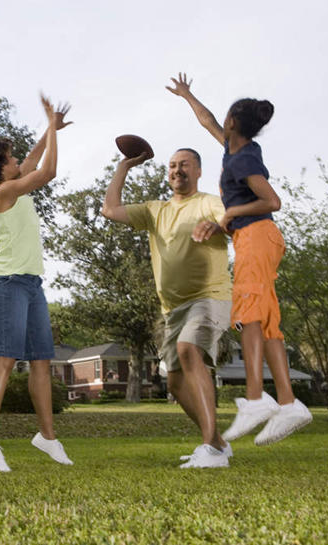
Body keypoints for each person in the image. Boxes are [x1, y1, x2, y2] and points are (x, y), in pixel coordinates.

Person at [167, 72, 312, 445]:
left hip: (257, 237)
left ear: (234, 121)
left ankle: (254, 399)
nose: (220, 122)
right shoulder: (234, 149)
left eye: (225, 118)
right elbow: (208, 121)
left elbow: (271, 201)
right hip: (255, 239)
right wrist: (187, 95)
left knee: (246, 313)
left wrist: (227, 217)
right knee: (267, 324)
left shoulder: (242, 160)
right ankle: (288, 402)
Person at [102, 147, 233, 468]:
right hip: (172, 309)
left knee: (189, 351)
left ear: (198, 170)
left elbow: (230, 219)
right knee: (174, 382)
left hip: (211, 296)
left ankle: (211, 450)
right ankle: (218, 442)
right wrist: (124, 166)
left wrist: (219, 225)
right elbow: (109, 209)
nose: (177, 170)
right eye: (173, 166)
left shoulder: (208, 202)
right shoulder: (154, 210)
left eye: (184, 165)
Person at [0, 95, 73, 472]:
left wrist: (50, 127)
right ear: (1, 167)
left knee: (42, 361)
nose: (17, 161)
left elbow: (32, 162)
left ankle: (47, 436)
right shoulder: (2, 193)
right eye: (11, 158)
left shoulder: (15, 183)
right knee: (6, 358)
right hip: (8, 283)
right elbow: (46, 173)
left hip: (31, 284)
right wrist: (52, 133)